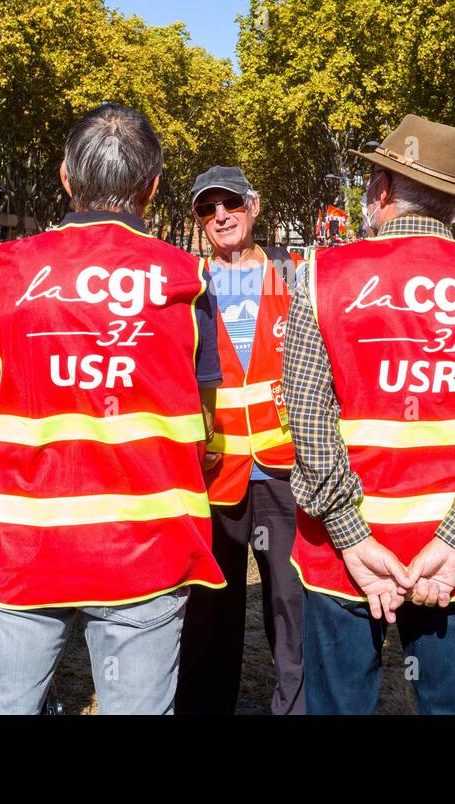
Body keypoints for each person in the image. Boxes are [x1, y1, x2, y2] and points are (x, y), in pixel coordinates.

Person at [0, 103, 225, 715]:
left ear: (63, 177)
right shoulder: (186, 277)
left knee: (2, 705)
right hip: (147, 544)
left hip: (27, 540)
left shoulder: (10, 271)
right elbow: (205, 421)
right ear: (154, 187)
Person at [282, 114, 455, 715]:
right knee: (452, 705)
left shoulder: (321, 277)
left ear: (379, 190)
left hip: (342, 554)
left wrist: (350, 537)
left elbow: (309, 416)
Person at [174, 165, 305, 716]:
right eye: (208, 209)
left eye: (229, 203)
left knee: (292, 610)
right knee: (209, 613)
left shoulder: (295, 275)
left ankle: (297, 706)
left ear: (253, 205)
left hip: (284, 474)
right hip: (213, 475)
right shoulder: (186, 283)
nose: (220, 215)